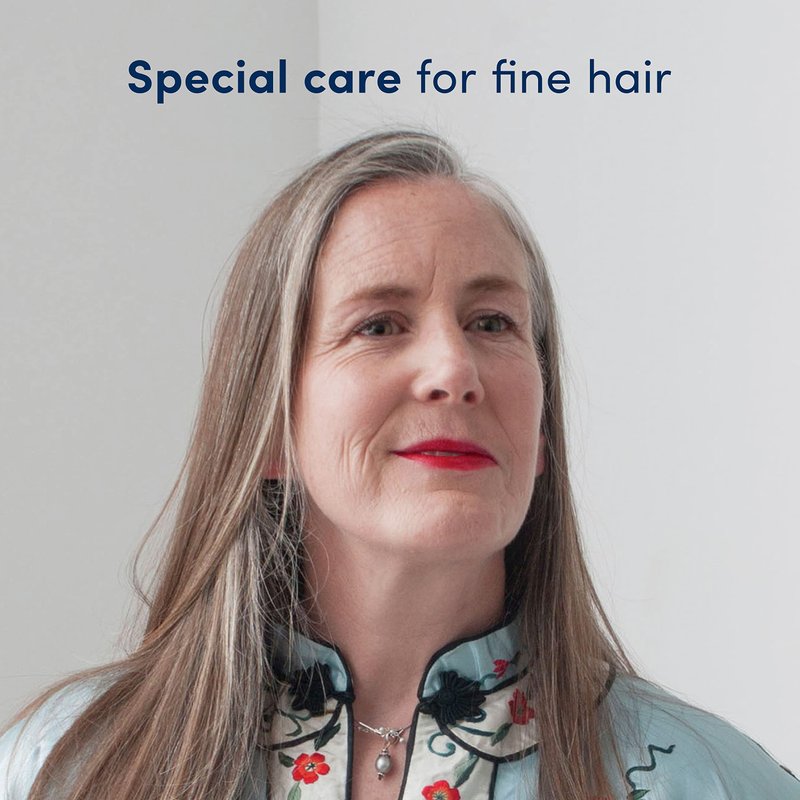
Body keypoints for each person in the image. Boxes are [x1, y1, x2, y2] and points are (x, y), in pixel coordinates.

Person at [1, 130, 797, 800]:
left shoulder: (715, 782)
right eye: (379, 325)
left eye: (492, 322)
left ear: (542, 431)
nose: (455, 370)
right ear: (268, 427)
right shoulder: (63, 769)